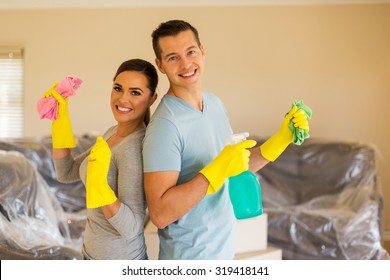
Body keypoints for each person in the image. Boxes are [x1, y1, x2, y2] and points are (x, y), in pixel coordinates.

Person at [142, 20, 310, 260]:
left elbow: (231, 166)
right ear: (160, 65)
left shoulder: (215, 104)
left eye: (190, 52)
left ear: (202, 50)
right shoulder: (165, 126)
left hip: (223, 251)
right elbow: (159, 214)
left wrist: (281, 139)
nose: (186, 63)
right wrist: (215, 171)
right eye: (173, 57)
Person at [42, 59, 158, 259]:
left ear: (151, 99)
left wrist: (101, 189)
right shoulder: (112, 133)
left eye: (135, 92)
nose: (123, 99)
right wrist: (60, 121)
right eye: (118, 88)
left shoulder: (133, 149)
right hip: (91, 255)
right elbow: (66, 172)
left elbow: (131, 228)